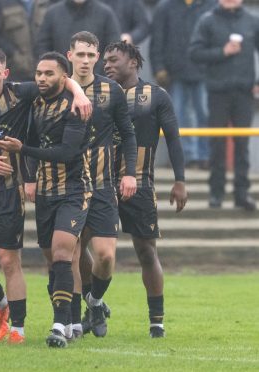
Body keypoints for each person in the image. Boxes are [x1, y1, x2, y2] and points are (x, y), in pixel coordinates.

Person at [0, 46, 91, 345]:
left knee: (9, 261)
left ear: (6, 74)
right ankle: (2, 305)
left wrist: (80, 93)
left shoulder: (19, 94)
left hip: (8, 194)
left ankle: (17, 328)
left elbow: (59, 78)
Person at [103, 41, 188, 337]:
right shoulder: (99, 92)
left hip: (139, 182)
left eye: (113, 60)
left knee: (146, 252)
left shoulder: (156, 96)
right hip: (100, 182)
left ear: (133, 62)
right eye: (105, 61)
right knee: (85, 245)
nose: (107, 65)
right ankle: (89, 307)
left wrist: (180, 180)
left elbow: (174, 140)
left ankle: (157, 321)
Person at [67, 31, 137, 339]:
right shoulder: (57, 88)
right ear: (69, 55)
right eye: (79, 54)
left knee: (106, 255)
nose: (85, 60)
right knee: (72, 250)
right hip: (66, 186)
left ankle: (94, 302)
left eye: (90, 55)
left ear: (97, 58)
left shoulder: (112, 90)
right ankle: (69, 319)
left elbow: (128, 134)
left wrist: (130, 172)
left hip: (103, 184)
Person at [189, 0, 259, 211]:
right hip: (217, 92)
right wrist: (223, 52)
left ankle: (241, 194)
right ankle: (216, 194)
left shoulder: (252, 20)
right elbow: (194, 53)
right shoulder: (207, 20)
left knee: (242, 146)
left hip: (244, 93)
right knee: (217, 145)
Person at [150, 0, 216, 169]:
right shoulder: (164, 7)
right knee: (177, 116)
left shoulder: (212, 5)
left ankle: (205, 157)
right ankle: (186, 157)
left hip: (205, 72)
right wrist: (159, 67)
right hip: (175, 74)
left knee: (206, 115)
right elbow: (157, 39)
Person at [36, 0, 121, 74]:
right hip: (61, 80)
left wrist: (96, 72)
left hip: (97, 80)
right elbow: (43, 46)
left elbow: (113, 47)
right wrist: (56, 69)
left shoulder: (105, 13)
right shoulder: (52, 13)